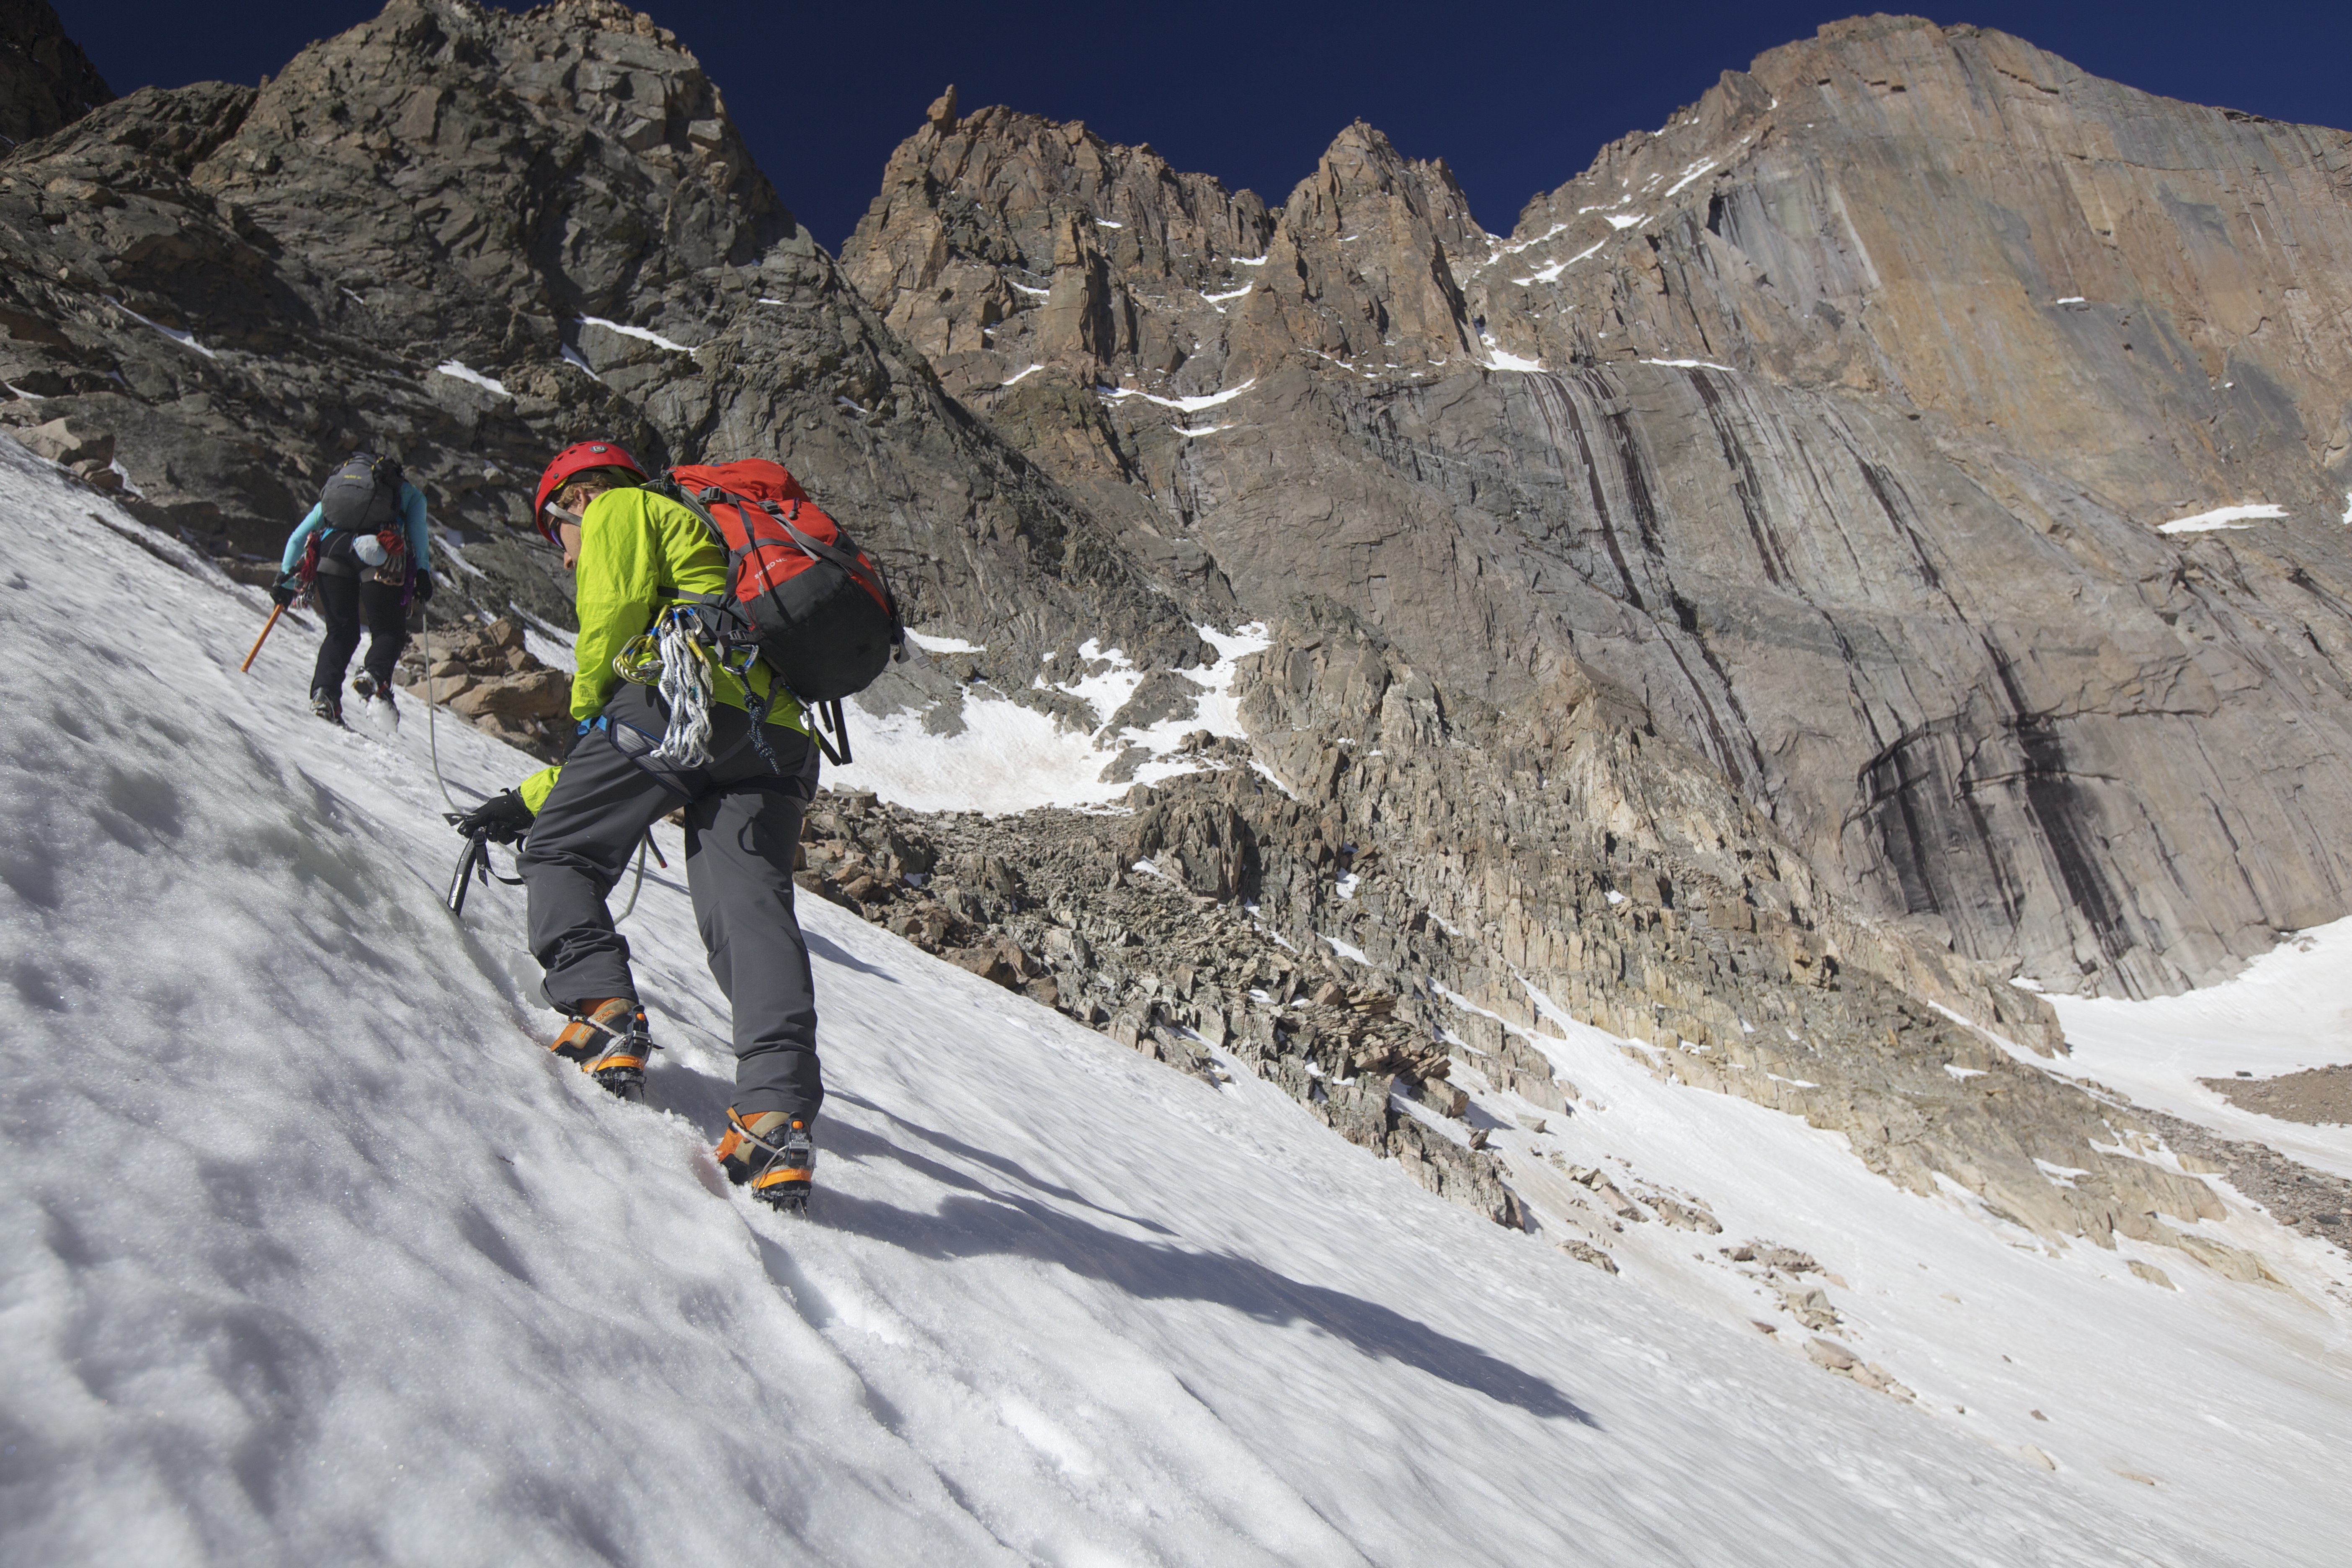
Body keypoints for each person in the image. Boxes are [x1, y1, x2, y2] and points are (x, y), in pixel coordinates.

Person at [452, 439, 827, 1211]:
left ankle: (602, 1012)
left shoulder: (620, 507)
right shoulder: (704, 542)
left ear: (573, 499)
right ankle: (774, 1117)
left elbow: (613, 620)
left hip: (673, 696)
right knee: (749, 915)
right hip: (775, 736)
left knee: (562, 850)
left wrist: (589, 722)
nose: (562, 556)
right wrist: (530, 792)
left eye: (556, 532)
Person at [273, 454, 434, 724]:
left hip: (330, 552)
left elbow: (298, 536)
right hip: (379, 554)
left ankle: (325, 696)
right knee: (388, 631)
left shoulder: (337, 493)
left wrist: (286, 582)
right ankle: (373, 675)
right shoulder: (408, 492)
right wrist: (422, 573)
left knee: (340, 632)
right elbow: (418, 533)